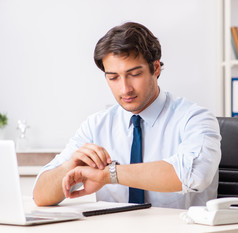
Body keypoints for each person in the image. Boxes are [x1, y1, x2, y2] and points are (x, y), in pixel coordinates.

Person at [32, 22, 221, 209]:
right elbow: (40, 196)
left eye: (135, 74)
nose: (125, 89)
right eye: (113, 77)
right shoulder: (96, 125)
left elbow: (195, 174)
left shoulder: (195, 118)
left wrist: (109, 175)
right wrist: (70, 166)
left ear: (155, 69)